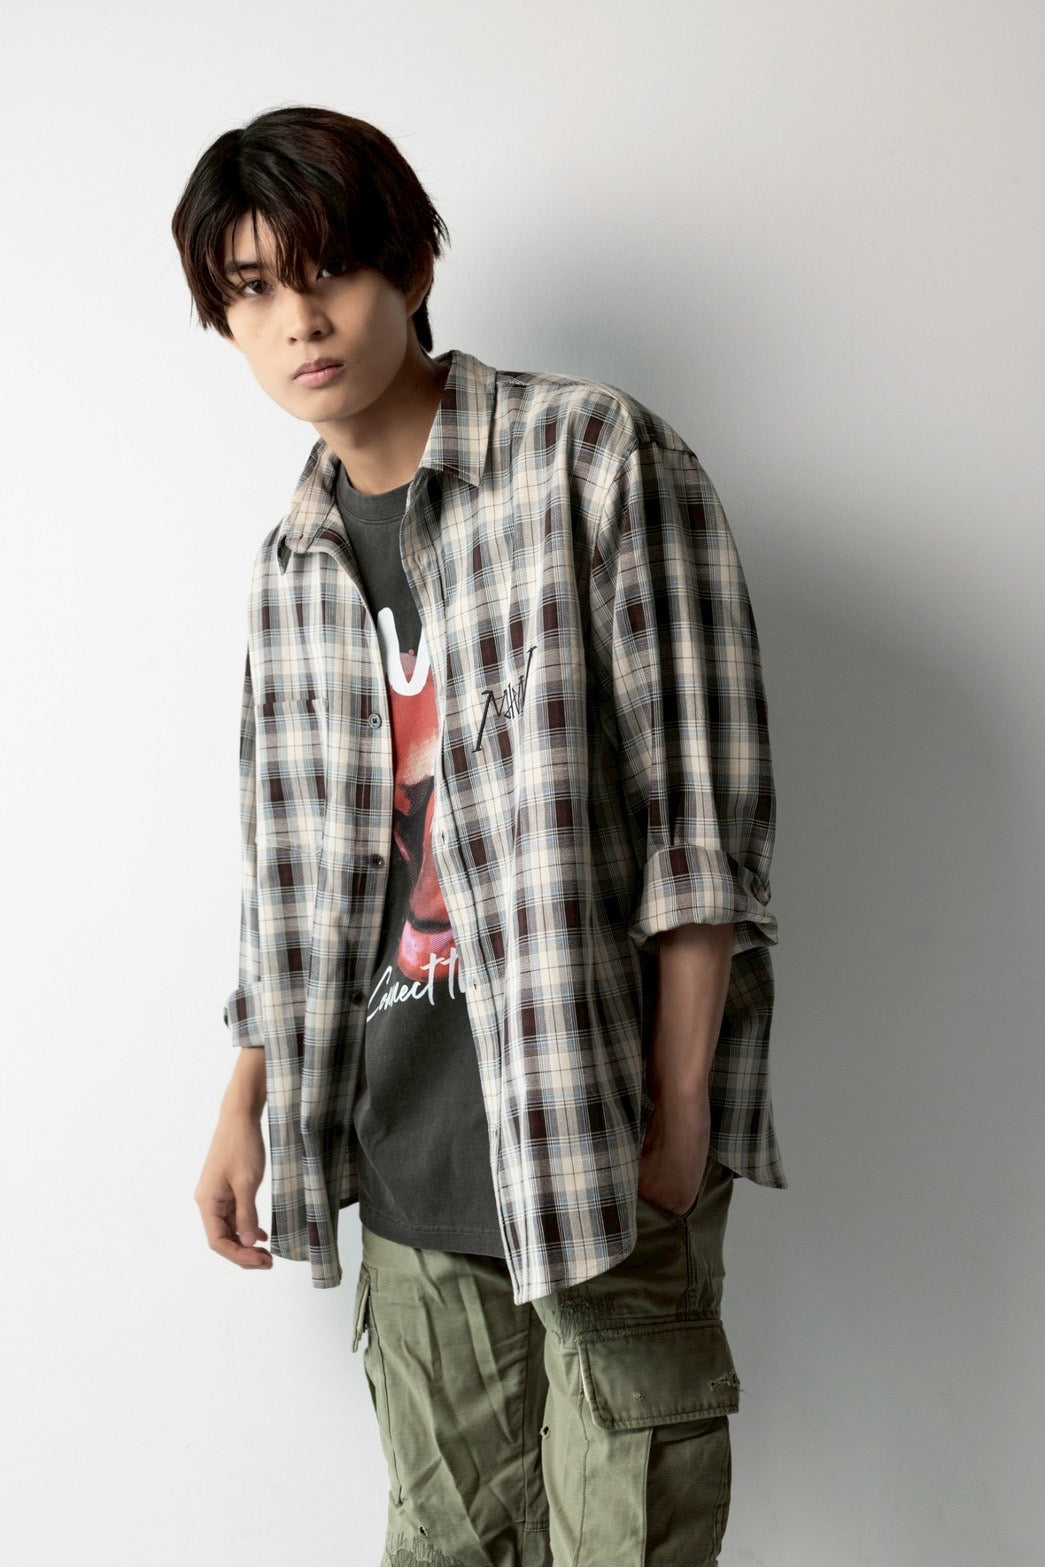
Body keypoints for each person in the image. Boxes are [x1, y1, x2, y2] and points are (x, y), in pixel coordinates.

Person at [173, 105, 783, 1567]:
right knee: (447, 1547)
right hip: (404, 1155)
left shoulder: (594, 458)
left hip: (596, 1133)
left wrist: (678, 1113)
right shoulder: (291, 565)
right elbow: (290, 877)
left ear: (412, 264)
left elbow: (703, 819)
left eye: (325, 269)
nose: (298, 320)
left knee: (625, 1544)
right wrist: (247, 1097)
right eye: (251, 289)